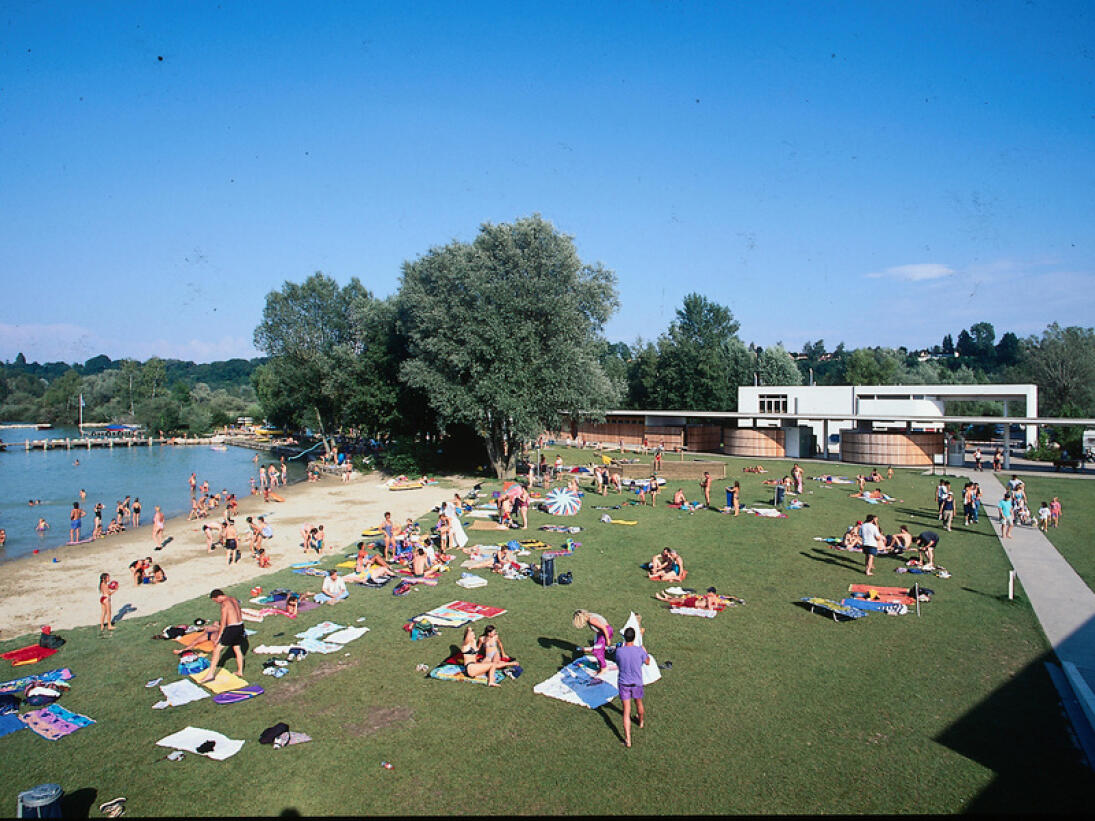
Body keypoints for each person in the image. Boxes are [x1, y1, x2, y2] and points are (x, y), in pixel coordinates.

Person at [616, 626, 651, 748]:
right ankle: (641, 722)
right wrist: (644, 651)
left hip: (624, 683)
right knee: (639, 703)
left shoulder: (620, 651)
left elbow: (618, 663)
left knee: (626, 711)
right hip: (637, 682)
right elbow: (647, 662)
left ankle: (628, 740)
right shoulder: (639, 650)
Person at [200, 590, 246, 681]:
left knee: (217, 650)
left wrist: (219, 637)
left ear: (218, 597)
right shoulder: (233, 599)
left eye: (215, 600)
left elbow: (223, 623)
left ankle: (210, 674)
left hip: (232, 628)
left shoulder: (225, 604)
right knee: (237, 648)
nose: (216, 602)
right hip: (240, 625)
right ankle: (240, 671)